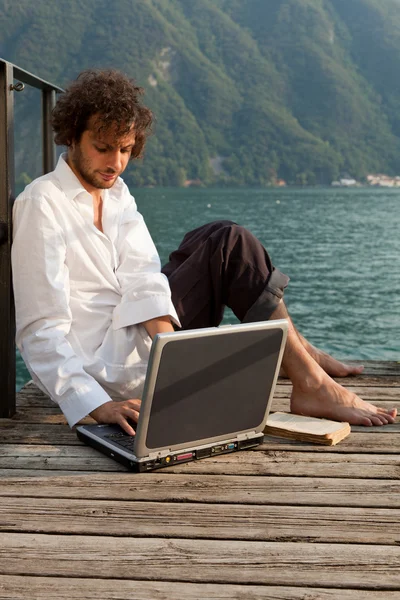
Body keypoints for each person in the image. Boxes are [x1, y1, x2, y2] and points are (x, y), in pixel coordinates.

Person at [12, 69, 397, 436]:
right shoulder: (42, 203)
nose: (116, 163)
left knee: (220, 238)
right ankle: (308, 375)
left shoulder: (117, 193)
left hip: (143, 345)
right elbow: (39, 329)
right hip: (106, 365)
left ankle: (297, 354)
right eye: (103, 148)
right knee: (228, 244)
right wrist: (94, 405)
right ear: (72, 137)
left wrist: (170, 361)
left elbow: (144, 279)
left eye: (126, 150)